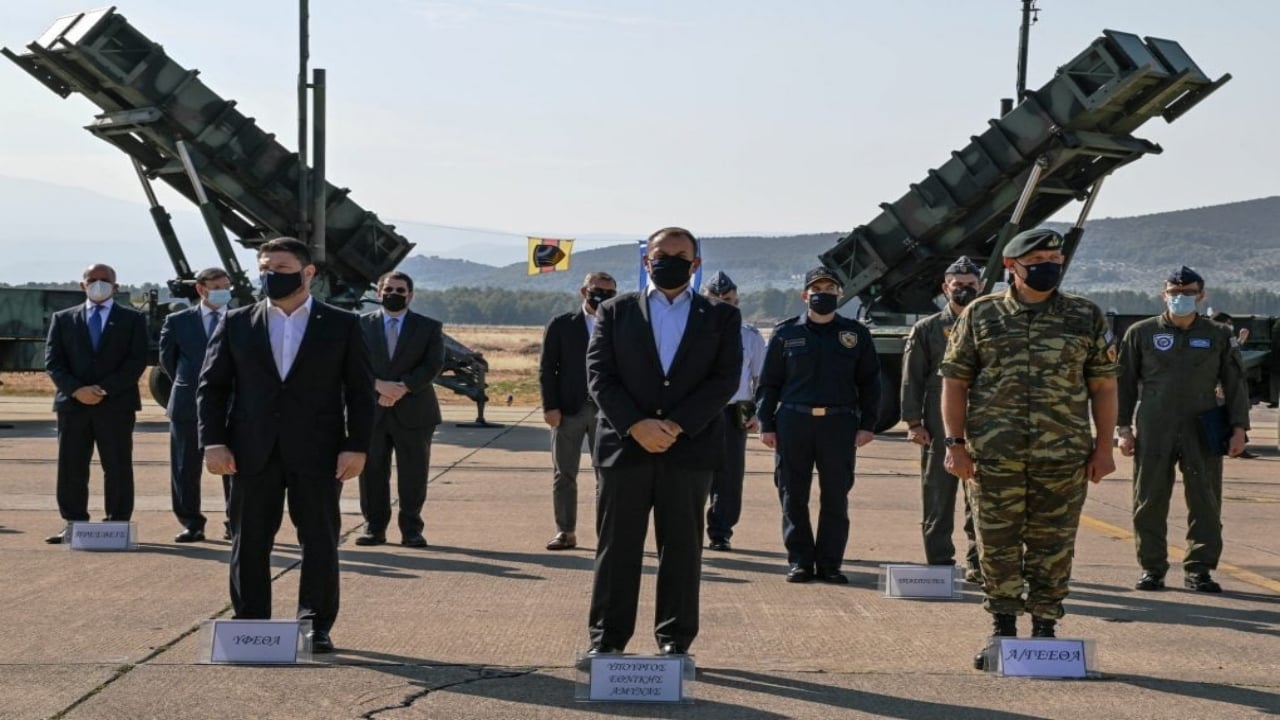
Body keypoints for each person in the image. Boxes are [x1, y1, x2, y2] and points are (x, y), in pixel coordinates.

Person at [939, 228, 1118, 671]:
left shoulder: (1084, 315)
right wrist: (955, 444)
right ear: (1011, 266)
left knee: (1054, 545)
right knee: (995, 545)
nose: (1049, 265)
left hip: (1063, 455)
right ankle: (1001, 631)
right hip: (993, 455)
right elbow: (955, 382)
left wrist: (1103, 447)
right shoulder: (981, 315)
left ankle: (1045, 631)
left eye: (1055, 258)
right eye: (1037, 257)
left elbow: (1103, 385)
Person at [198, 237, 374, 654]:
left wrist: (356, 446)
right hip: (250, 452)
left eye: (279, 268)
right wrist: (214, 442)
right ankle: (250, 623)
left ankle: (314, 623)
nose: (268, 276)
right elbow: (212, 388)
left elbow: (360, 393)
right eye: (264, 268)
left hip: (319, 452)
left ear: (307, 272)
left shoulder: (342, 324)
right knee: (250, 539)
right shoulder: (238, 322)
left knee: (319, 539)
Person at [583, 227, 741, 659]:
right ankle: (608, 640)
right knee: (617, 548)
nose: (669, 260)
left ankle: (675, 641)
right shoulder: (615, 311)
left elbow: (724, 379)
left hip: (687, 449)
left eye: (680, 255)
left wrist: (674, 425)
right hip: (624, 446)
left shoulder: (721, 316)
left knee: (682, 550)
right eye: (661, 254)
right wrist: (636, 425)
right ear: (646, 261)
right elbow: (600, 375)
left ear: (696, 264)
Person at [1117, 266, 1248, 594]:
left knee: (1205, 500)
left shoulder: (1218, 334)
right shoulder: (1141, 333)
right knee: (1149, 499)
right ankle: (1152, 568)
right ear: (1164, 295)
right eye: (1174, 293)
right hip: (1154, 426)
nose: (1180, 299)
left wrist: (1239, 428)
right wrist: (1123, 428)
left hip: (1202, 426)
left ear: (1201, 296)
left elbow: (1234, 384)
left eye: (1188, 293)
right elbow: (1125, 384)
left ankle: (1199, 569)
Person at [756, 267, 880, 584]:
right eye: (816, 288)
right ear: (804, 295)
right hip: (793, 422)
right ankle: (799, 560)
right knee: (792, 495)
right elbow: (769, 383)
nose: (822, 293)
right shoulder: (785, 334)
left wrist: (868, 425)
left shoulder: (855, 334)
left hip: (839, 424)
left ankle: (829, 564)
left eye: (830, 288)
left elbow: (869, 384)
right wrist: (766, 423)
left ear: (840, 294)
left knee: (836, 497)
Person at [44, 264, 148, 543]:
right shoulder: (63, 319)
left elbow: (136, 361)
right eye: (92, 280)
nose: (98, 284)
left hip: (115, 404)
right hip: (73, 404)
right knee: (71, 466)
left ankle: (117, 523)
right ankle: (73, 521)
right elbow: (54, 363)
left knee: (117, 465)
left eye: (105, 280)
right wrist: (77, 390)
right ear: (82, 285)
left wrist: (103, 389)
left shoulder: (133, 319)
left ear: (116, 286)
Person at [901, 256, 982, 581]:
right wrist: (913, 422)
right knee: (938, 494)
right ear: (945, 287)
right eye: (958, 285)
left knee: (980, 498)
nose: (964, 290)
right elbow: (912, 379)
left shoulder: (990, 324)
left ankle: (979, 563)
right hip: (938, 422)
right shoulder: (928, 328)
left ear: (981, 287)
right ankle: (939, 563)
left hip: (983, 422)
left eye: (970, 285)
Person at [355, 271, 445, 548]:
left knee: (414, 474)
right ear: (379, 292)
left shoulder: (428, 327)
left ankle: (411, 529)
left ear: (411, 294)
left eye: (400, 290)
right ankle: (374, 527)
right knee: (372, 472)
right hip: (372, 410)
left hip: (415, 412)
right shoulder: (359, 325)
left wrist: (403, 387)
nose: (394, 294)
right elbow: (352, 364)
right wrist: (378, 385)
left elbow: (433, 365)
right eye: (388, 289)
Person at [538, 271, 618, 551]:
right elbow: (548, 368)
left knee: (607, 476)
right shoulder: (562, 325)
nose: (603, 297)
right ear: (584, 291)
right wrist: (550, 406)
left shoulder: (621, 324)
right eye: (597, 290)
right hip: (568, 410)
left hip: (608, 413)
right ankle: (565, 531)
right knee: (564, 474)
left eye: (609, 293)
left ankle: (606, 534)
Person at [159, 267, 235, 543]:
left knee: (234, 466)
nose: (223, 291)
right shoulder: (178, 321)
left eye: (226, 286)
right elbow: (168, 361)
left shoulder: (241, 318)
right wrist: (189, 384)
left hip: (232, 404)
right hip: (188, 403)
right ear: (201, 289)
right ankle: (191, 522)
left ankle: (234, 521)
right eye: (217, 286)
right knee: (184, 467)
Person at [703, 271, 767, 552]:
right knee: (693, 473)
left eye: (727, 299)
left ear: (737, 301)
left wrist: (758, 414)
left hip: (733, 411)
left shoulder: (749, 336)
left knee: (729, 476)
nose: (721, 304)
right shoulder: (690, 332)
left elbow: (761, 380)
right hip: (698, 411)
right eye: (714, 299)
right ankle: (687, 527)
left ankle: (721, 531)